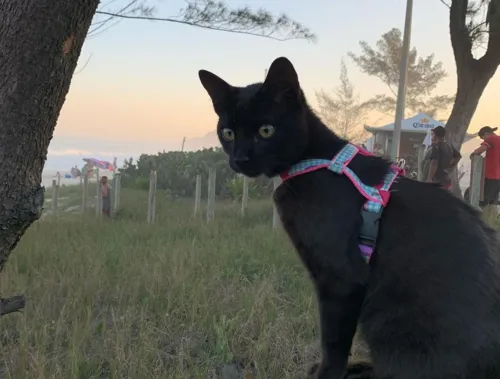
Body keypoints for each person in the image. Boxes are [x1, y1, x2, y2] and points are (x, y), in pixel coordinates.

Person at [423, 125, 462, 190]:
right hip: (446, 179)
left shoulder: (436, 147)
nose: (432, 136)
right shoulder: (449, 146)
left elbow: (434, 163)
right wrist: (451, 167)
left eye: (433, 134)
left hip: (436, 180)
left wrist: (429, 178)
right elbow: (458, 156)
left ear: (435, 135)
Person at [470, 126, 500, 207]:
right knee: (493, 202)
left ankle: (481, 217)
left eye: (483, 138)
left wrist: (473, 155)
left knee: (484, 201)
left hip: (491, 175)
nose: (483, 140)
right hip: (498, 177)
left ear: (486, 134)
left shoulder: (491, 139)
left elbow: (479, 151)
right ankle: (490, 218)